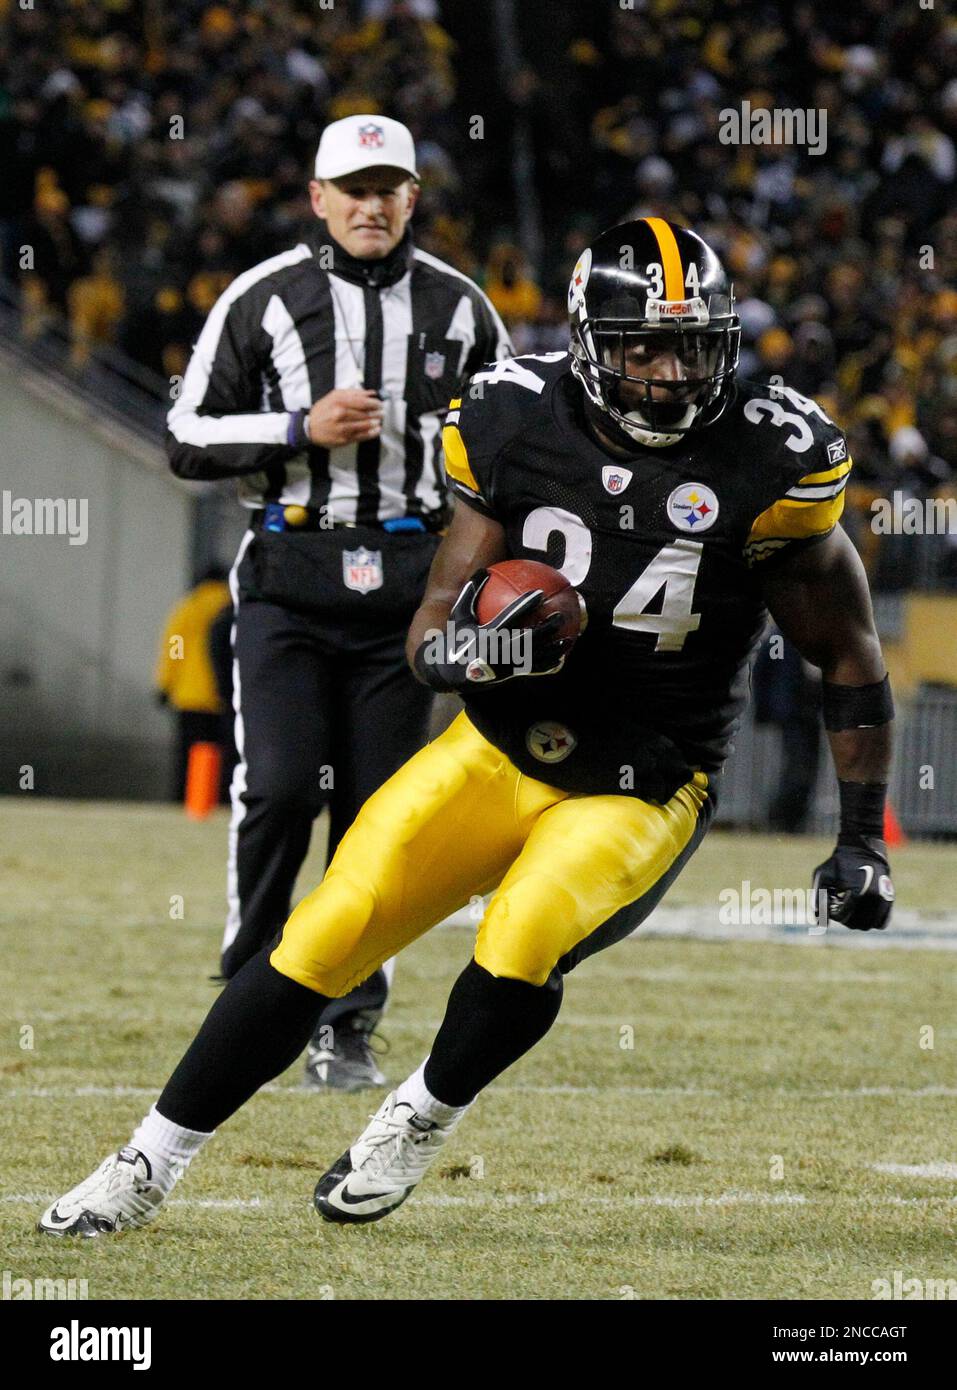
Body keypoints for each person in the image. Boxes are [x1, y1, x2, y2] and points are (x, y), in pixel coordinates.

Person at [39, 219, 895, 1236]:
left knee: (525, 930)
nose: (670, 372)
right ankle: (148, 1159)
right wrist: (465, 655)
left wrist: (860, 839)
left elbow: (847, 656)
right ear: (588, 342)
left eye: (693, 344)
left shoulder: (775, 455)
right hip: (496, 745)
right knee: (323, 931)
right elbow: (434, 619)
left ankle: (423, 1111)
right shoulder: (513, 418)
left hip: (643, 775)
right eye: (642, 346)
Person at [164, 115, 511, 1091]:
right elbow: (185, 435)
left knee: (377, 816)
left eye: (387, 187)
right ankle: (248, 992)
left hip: (411, 584)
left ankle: (349, 1020)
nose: (370, 204)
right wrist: (295, 426)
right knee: (276, 787)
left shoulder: (460, 308)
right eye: (351, 188)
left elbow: (512, 447)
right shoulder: (263, 295)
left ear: (412, 198)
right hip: (291, 567)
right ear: (318, 198)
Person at [154, 567, 232, 801]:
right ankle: (218, 800)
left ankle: (187, 800)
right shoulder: (231, 607)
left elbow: (174, 647)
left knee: (189, 756)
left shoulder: (189, 607)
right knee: (223, 755)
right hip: (224, 693)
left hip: (190, 694)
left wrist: (166, 684)